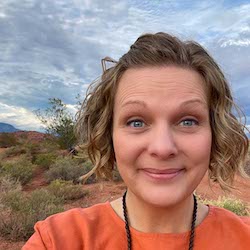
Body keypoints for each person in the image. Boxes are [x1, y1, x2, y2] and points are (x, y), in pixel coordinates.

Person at [22, 32, 250, 250]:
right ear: (108, 135)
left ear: (215, 133)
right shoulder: (57, 241)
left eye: (188, 121)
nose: (162, 148)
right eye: (136, 122)